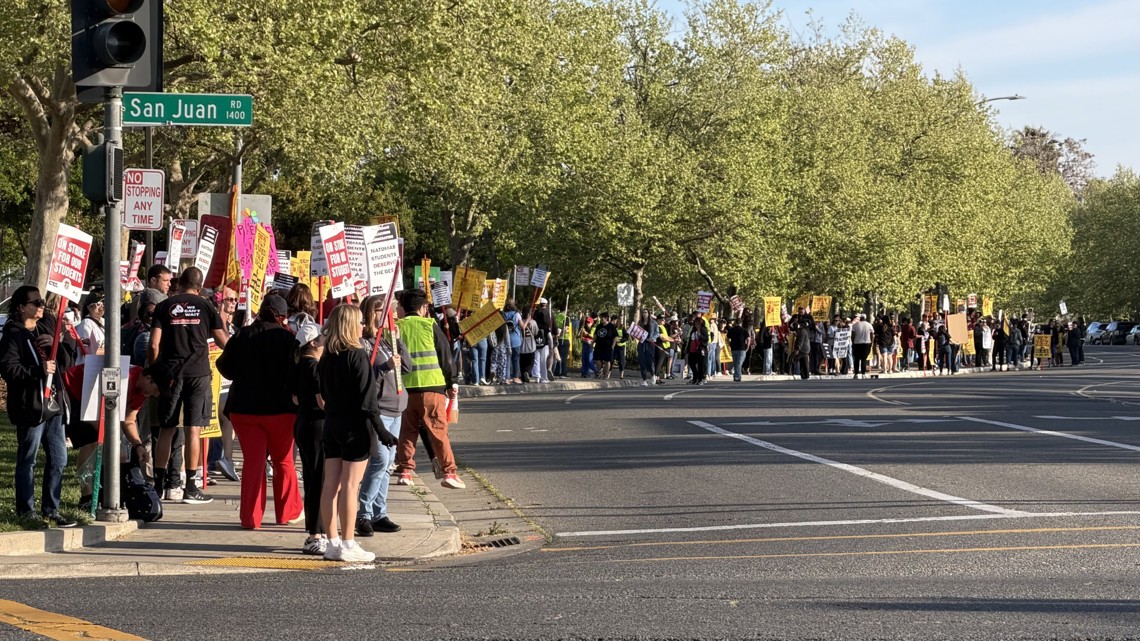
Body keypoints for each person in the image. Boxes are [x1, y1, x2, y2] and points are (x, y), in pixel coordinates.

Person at [216, 294, 302, 529]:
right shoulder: (289, 339)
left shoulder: (242, 335)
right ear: (282, 317)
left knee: (253, 462)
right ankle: (288, 512)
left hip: (244, 409)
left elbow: (224, 367)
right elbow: (298, 373)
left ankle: (250, 518)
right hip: (281, 410)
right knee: (283, 461)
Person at [317, 304, 393, 562]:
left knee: (330, 485)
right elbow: (368, 400)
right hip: (353, 426)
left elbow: (323, 393)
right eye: (360, 322)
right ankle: (348, 543)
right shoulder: (357, 355)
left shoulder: (327, 356)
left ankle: (332, 542)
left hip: (331, 423)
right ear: (350, 325)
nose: (362, 326)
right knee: (350, 485)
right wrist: (381, 430)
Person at [148, 267, 229, 504]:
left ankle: (158, 486)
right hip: (198, 373)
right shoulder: (206, 306)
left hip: (170, 374)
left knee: (166, 429)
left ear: (180, 282)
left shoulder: (164, 306)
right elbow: (223, 341)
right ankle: (191, 487)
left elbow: (153, 344)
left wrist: (155, 370)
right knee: (194, 429)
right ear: (200, 287)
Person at [0, 286, 75, 527]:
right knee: (28, 458)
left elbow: (66, 363)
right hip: (30, 406)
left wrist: (57, 344)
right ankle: (26, 511)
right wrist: (38, 371)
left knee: (59, 459)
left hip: (54, 404)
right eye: (36, 303)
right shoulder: (13, 335)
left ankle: (51, 509)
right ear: (22, 308)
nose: (41, 306)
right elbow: (9, 369)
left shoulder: (45, 328)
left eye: (42, 302)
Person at [62, 362, 165, 511]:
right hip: (72, 391)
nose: (156, 394)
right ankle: (87, 498)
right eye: (157, 389)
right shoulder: (125, 380)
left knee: (106, 443)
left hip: (91, 402)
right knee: (92, 441)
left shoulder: (142, 390)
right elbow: (94, 414)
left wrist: (138, 445)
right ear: (148, 379)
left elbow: (129, 420)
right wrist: (114, 445)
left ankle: (98, 493)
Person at [393, 289, 463, 490]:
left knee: (407, 432)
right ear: (424, 308)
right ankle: (449, 472)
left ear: (403, 307)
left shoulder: (397, 327)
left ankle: (405, 471)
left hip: (405, 389)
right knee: (438, 431)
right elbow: (446, 357)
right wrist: (451, 383)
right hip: (432, 387)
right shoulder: (429, 325)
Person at [356, 294, 411, 537]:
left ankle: (379, 513)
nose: (389, 316)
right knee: (379, 460)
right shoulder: (366, 343)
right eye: (383, 311)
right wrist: (385, 366)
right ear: (371, 313)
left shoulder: (387, 340)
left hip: (396, 408)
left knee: (388, 464)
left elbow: (407, 366)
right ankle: (364, 513)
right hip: (379, 410)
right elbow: (365, 378)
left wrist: (398, 341)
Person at [289, 320, 328, 555]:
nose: (325, 341)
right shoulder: (314, 367)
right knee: (318, 481)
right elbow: (322, 401)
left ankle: (318, 530)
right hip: (317, 425)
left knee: (314, 479)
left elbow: (294, 398)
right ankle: (316, 533)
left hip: (304, 423)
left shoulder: (298, 365)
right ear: (313, 343)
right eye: (322, 338)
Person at [74, 291, 106, 364]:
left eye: (103, 303)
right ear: (89, 307)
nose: (101, 306)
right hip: (90, 364)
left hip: (102, 362)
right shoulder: (86, 323)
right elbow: (83, 347)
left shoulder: (105, 322)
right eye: (98, 304)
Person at [503, 302, 523, 384]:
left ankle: (506, 378)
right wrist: (528, 319)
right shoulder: (517, 314)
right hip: (516, 339)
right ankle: (515, 377)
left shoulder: (503, 314)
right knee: (516, 359)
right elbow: (522, 326)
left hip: (506, 339)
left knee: (507, 359)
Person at [592, 312, 616, 379]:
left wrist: (613, 345)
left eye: (602, 318)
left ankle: (606, 374)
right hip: (599, 345)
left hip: (608, 346)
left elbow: (615, 337)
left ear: (606, 318)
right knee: (598, 359)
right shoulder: (599, 326)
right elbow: (595, 335)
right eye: (600, 318)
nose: (601, 319)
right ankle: (599, 372)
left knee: (607, 360)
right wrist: (592, 343)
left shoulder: (611, 326)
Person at [687, 316, 709, 385]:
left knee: (700, 364)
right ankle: (695, 377)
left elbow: (706, 339)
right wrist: (687, 349)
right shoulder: (693, 330)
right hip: (692, 349)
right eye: (695, 323)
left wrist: (700, 335)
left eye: (698, 323)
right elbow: (690, 340)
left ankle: (700, 379)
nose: (696, 324)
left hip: (701, 349)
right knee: (691, 363)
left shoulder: (703, 329)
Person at [518, 307, 538, 384]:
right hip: (531, 345)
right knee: (530, 362)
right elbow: (536, 332)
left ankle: (523, 377)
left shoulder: (519, 322)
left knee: (522, 363)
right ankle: (527, 372)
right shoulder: (533, 322)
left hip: (521, 345)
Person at [850, 314, 873, 379]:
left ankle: (856, 374)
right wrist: (871, 343)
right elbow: (872, 334)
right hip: (866, 343)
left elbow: (853, 335)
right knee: (864, 359)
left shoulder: (855, 325)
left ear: (860, 318)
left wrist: (853, 342)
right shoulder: (869, 325)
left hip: (857, 343)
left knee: (856, 359)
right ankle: (863, 374)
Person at [727, 318, 749, 382]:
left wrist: (730, 344)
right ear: (741, 323)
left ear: (735, 323)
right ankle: (737, 377)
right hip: (742, 348)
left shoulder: (731, 330)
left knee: (735, 363)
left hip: (734, 348)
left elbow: (727, 338)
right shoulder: (744, 330)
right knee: (739, 363)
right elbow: (748, 339)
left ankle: (736, 376)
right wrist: (747, 346)